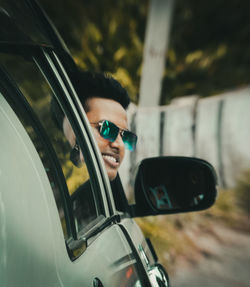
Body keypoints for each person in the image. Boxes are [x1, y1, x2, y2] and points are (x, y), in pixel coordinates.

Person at [51, 70, 137, 229]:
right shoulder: (55, 198)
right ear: (75, 131)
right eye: (106, 129)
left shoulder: (101, 191)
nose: (119, 145)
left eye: (126, 137)